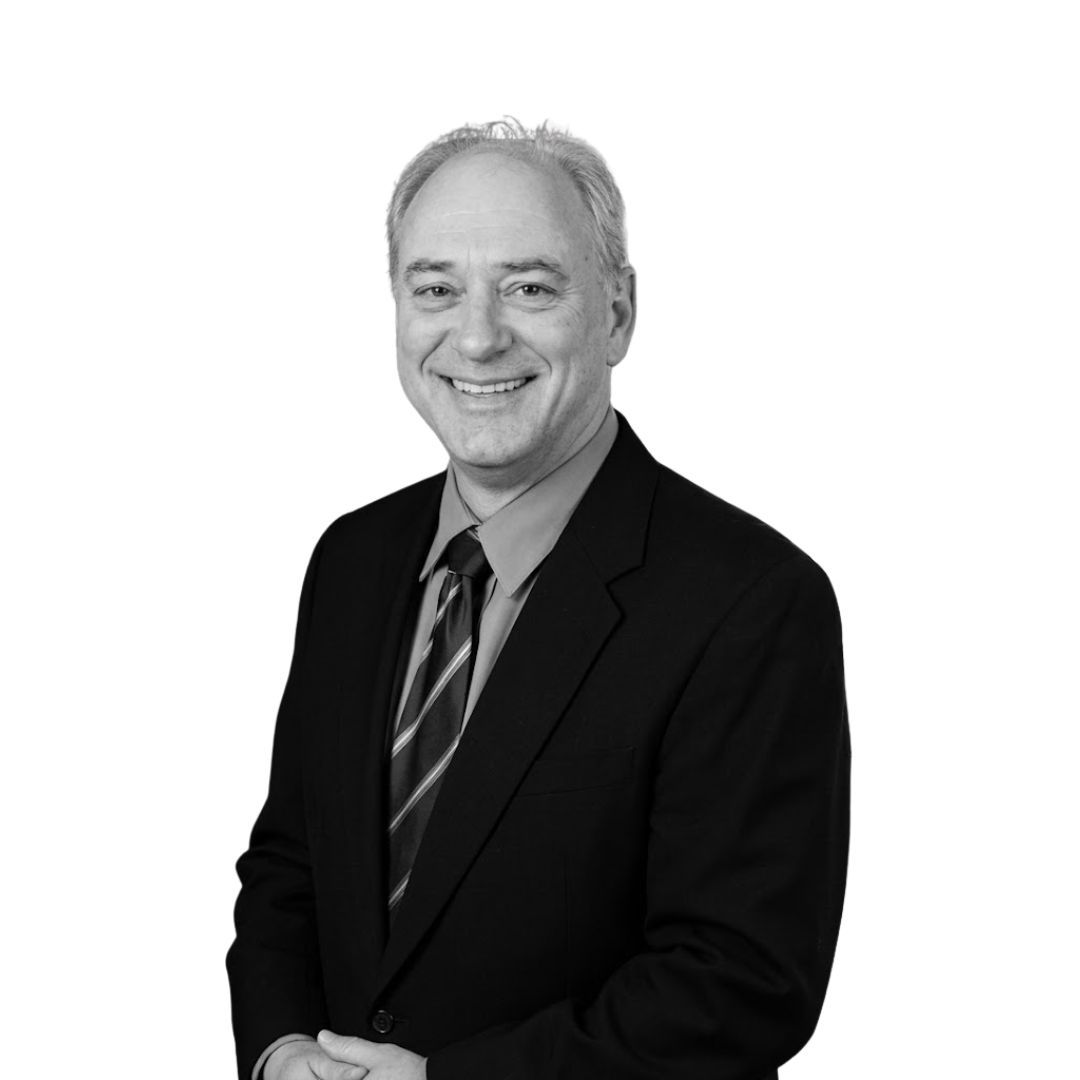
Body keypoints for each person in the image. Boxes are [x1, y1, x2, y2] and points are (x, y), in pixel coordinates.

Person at [227, 119, 850, 1080]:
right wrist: (279, 1054)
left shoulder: (753, 602)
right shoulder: (350, 561)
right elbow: (288, 872)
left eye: (529, 287)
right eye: (435, 289)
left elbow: (739, 982)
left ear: (617, 313)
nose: (476, 336)